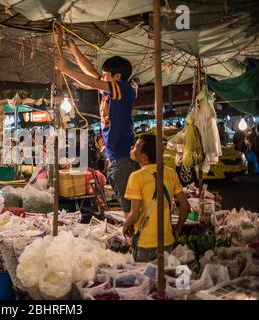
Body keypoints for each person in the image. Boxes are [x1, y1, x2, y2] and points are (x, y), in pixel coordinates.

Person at [55, 37, 137, 214]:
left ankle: (136, 238)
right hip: (114, 157)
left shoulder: (123, 88)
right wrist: (73, 48)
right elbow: (90, 72)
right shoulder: (110, 89)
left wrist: (66, 70)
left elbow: (91, 82)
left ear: (118, 77)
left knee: (129, 209)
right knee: (126, 205)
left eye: (106, 75)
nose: (103, 78)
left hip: (123, 159)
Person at [123, 134, 191, 262]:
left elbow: (135, 214)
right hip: (167, 242)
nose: (132, 148)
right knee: (164, 280)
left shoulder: (136, 177)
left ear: (144, 157)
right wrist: (177, 231)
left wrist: (125, 224)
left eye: (136, 147)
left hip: (144, 244)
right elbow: (186, 207)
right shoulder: (171, 173)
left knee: (146, 280)